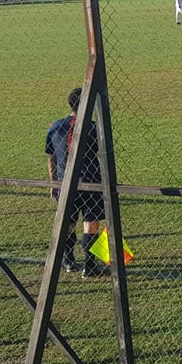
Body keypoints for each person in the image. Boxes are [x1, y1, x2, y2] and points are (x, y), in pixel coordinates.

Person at [45, 88, 106, 278]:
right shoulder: (94, 128)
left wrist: (53, 183)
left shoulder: (55, 126)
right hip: (90, 183)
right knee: (90, 224)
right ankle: (89, 266)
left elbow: (51, 157)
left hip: (65, 183)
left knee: (69, 224)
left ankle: (69, 260)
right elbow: (103, 156)